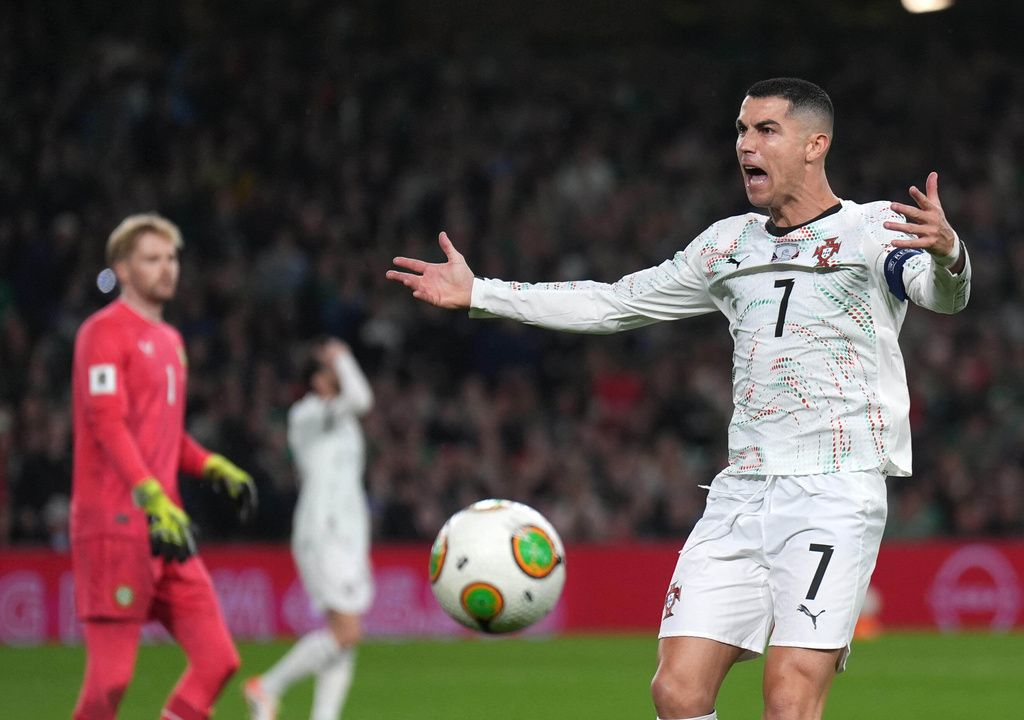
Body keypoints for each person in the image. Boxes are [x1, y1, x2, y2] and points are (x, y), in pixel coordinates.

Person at [386, 77, 971, 720]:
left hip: (835, 489)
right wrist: (483, 293)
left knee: (789, 702)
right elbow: (615, 304)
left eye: (765, 130)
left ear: (815, 145)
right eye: (742, 130)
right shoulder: (727, 245)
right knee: (677, 692)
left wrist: (949, 255)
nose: (746, 144)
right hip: (744, 489)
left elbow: (941, 295)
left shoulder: (871, 229)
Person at [71, 213, 257, 720]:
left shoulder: (172, 341)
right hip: (115, 525)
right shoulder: (102, 333)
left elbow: (164, 434)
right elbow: (107, 424)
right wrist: (150, 495)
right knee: (110, 682)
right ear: (123, 270)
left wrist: (212, 465)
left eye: (171, 258)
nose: (167, 268)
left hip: (167, 526)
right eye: (152, 259)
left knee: (218, 661)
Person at [244, 338, 374, 720]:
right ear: (317, 380)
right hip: (323, 530)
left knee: (344, 637)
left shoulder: (344, 422)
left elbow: (356, 404)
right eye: (331, 369)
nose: (340, 374)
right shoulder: (308, 415)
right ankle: (267, 686)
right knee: (347, 632)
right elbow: (363, 399)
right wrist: (344, 356)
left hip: (348, 534)